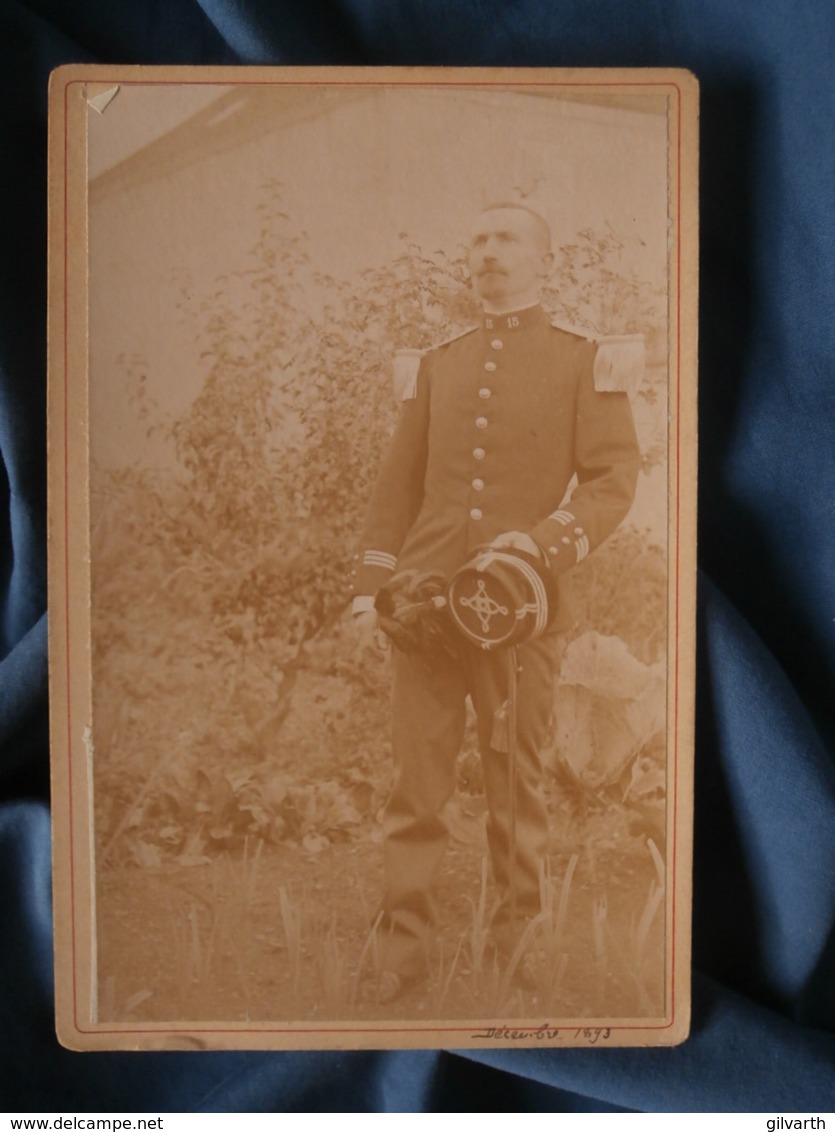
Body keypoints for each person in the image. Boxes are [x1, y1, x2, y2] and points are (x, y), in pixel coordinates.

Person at [352, 202, 641, 1002]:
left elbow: (615, 480)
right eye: (476, 240)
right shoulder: (438, 363)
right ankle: (400, 950)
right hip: (422, 603)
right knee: (418, 780)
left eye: (506, 239)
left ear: (543, 260)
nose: (487, 253)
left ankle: (516, 949)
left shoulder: (583, 359)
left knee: (516, 775)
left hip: (520, 606)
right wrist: (369, 590)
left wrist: (541, 546)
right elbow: (394, 487)